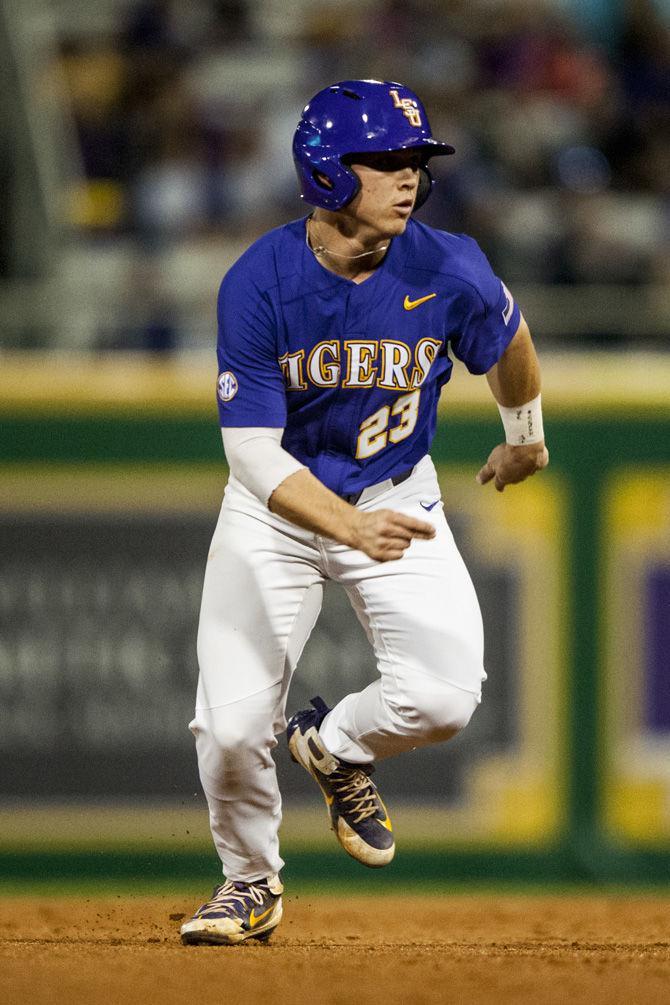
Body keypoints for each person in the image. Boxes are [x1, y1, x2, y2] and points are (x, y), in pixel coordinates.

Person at [180, 79, 548, 946]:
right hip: (276, 510)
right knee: (230, 727)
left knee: (446, 697)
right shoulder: (258, 283)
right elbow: (253, 453)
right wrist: (342, 528)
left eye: (416, 160)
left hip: (393, 488)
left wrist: (524, 429)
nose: (408, 177)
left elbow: (509, 336)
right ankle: (249, 881)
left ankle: (336, 745)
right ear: (324, 170)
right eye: (385, 160)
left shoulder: (447, 264)